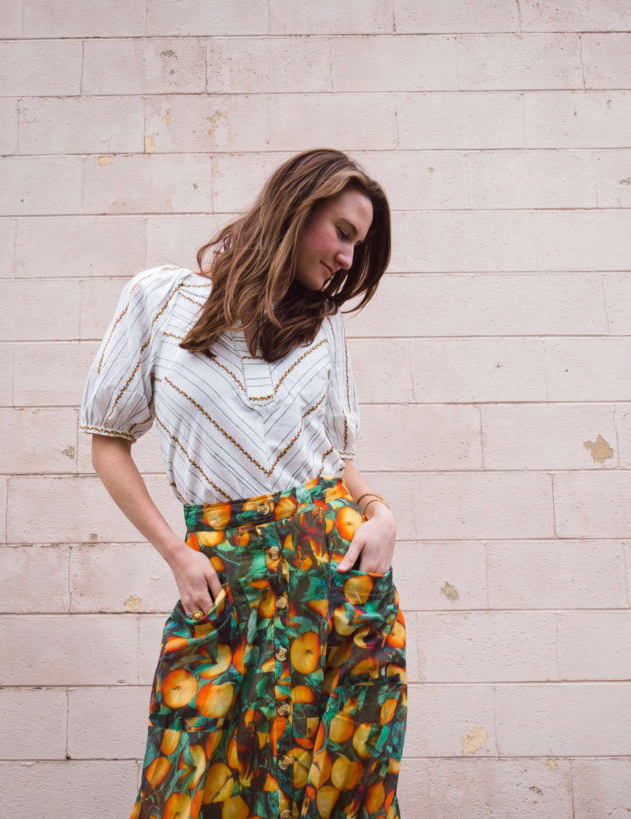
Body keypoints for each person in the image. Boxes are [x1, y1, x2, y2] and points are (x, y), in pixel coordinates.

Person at [79, 148, 407, 819]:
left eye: (359, 246)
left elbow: (332, 456)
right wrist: (176, 551)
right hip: (221, 582)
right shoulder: (160, 300)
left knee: (331, 792)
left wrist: (379, 511)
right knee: (189, 783)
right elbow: (107, 442)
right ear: (296, 208)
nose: (349, 258)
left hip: (335, 584)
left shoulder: (324, 326)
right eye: (343, 233)